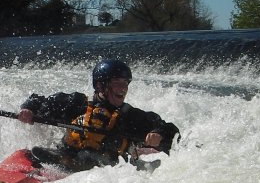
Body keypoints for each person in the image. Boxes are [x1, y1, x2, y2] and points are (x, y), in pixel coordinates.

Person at [17, 58, 180, 172]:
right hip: (65, 158)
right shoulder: (76, 103)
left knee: (88, 158)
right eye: (117, 83)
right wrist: (28, 109)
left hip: (104, 171)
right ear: (100, 85)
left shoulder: (130, 117)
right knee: (35, 152)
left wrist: (158, 134)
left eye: (125, 84)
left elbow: (169, 129)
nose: (123, 89)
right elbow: (38, 100)